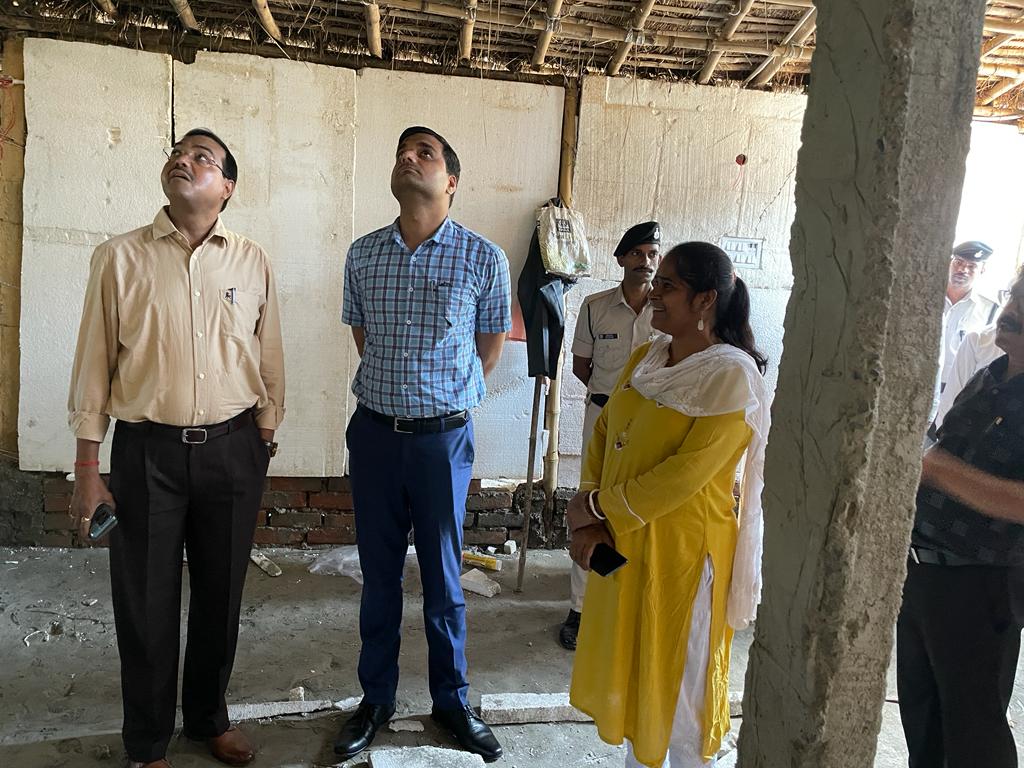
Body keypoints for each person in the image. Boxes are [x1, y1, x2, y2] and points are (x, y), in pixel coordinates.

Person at [67, 128, 285, 768]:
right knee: (145, 601)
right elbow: (93, 366)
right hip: (147, 455)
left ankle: (208, 719)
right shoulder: (119, 258)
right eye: (177, 154)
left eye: (202, 158)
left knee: (221, 596)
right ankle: (146, 743)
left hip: (233, 449)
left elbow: (268, 353)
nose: (183, 161)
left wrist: (265, 433)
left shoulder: (251, 260)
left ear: (227, 187)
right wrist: (87, 468)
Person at [335, 126, 511, 764]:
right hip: (375, 436)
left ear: (451, 181)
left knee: (443, 577)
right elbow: (363, 336)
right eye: (401, 152)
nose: (408, 158)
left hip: (442, 442)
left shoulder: (484, 258)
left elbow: (489, 346)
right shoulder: (363, 254)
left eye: (425, 153)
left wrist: (440, 398)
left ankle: (452, 701)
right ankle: (375, 700)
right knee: (379, 575)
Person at [567, 242, 771, 768]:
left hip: (684, 557)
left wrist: (598, 507)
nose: (654, 291)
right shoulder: (649, 357)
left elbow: (685, 475)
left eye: (669, 285)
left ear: (705, 300)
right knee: (637, 679)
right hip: (625, 542)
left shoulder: (730, 375)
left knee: (681, 694)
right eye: (657, 282)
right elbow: (605, 432)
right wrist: (589, 515)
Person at [898, 268, 1024, 768]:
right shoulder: (990, 373)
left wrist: (938, 470)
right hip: (923, 572)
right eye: (1014, 296)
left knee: (975, 736)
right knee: (923, 722)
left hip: (982, 583)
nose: (1011, 311)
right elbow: (941, 443)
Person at [559, 221, 661, 651]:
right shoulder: (595, 306)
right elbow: (582, 366)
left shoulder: (668, 308)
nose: (645, 262)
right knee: (590, 505)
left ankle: (632, 604)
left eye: (652, 254)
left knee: (641, 507)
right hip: (602, 417)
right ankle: (580, 609)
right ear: (620, 259)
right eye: (636, 253)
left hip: (653, 423)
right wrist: (614, 406)